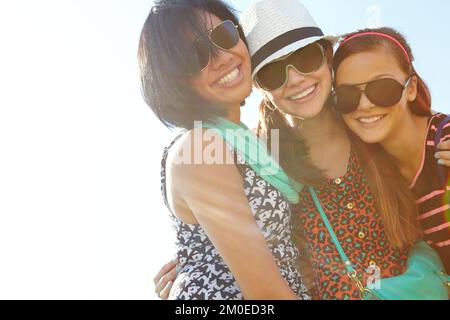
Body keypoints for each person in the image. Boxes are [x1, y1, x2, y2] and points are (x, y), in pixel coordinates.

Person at [154, 0, 450, 300]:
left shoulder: (367, 124)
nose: (295, 79)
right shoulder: (265, 161)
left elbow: (424, 139)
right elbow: (243, 234)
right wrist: (194, 265)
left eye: (306, 57)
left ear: (327, 57)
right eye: (273, 72)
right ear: (259, 86)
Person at [139, 0, 310, 300]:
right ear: (175, 80)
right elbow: (266, 293)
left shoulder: (249, 144)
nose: (221, 58)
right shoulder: (200, 146)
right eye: (196, 56)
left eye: (224, 35)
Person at [332, 27, 450, 272]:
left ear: (411, 88)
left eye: (382, 88)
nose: (364, 105)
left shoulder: (445, 138)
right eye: (347, 95)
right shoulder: (365, 173)